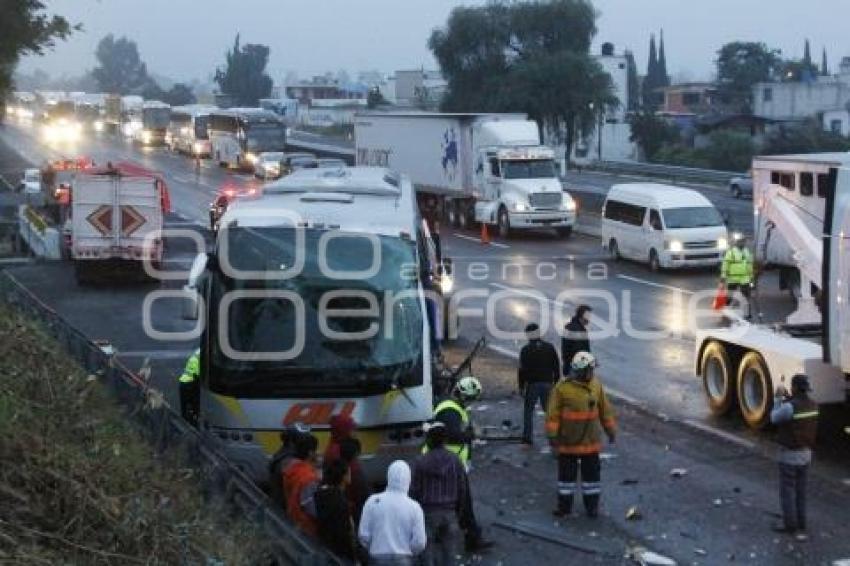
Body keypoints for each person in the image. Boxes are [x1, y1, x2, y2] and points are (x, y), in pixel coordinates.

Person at [546, 351, 616, 518]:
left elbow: (605, 411)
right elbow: (552, 416)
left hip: (590, 443)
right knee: (566, 481)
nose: (593, 373)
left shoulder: (596, 386)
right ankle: (564, 508)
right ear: (582, 371)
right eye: (591, 369)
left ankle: (592, 508)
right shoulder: (562, 389)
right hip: (568, 443)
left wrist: (611, 432)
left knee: (592, 481)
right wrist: (553, 439)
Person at [411, 423, 491, 565]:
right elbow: (463, 490)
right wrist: (459, 514)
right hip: (449, 512)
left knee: (427, 554)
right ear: (444, 440)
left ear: (428, 440)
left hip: (428, 513)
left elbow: (415, 491)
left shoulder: (420, 462)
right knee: (449, 553)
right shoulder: (455, 461)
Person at [770, 374, 819, 540]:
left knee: (788, 491)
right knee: (801, 491)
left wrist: (777, 399)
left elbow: (774, 418)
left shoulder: (789, 407)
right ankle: (801, 522)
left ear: (795, 388)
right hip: (806, 455)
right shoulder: (814, 405)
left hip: (789, 456)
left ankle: (789, 524)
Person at [358, 460, 427, 566]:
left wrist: (374, 546)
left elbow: (363, 535)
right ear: (408, 479)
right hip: (404, 560)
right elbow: (420, 542)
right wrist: (408, 552)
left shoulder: (372, 501)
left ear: (388, 476)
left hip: (377, 558)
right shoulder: (414, 507)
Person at [425, 376, 482, 470]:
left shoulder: (451, 404)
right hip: (445, 463)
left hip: (446, 460)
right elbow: (452, 436)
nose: (472, 402)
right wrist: (471, 435)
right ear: (464, 396)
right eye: (472, 399)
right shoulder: (450, 411)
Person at [518, 322, 560, 446]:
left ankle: (527, 437)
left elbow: (522, 370)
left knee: (528, 411)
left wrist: (521, 386)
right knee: (550, 412)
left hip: (532, 385)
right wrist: (556, 382)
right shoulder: (549, 347)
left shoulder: (525, 350)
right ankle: (554, 437)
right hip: (548, 383)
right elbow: (556, 366)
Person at [315, 458, 357, 561]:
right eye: (349, 472)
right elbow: (344, 534)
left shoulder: (321, 494)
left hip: (325, 545)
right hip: (339, 553)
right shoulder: (340, 502)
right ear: (343, 477)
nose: (350, 474)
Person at [282, 433, 320, 537]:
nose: (318, 453)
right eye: (316, 450)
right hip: (307, 529)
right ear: (310, 453)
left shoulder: (290, 469)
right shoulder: (309, 478)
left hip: (293, 520)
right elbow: (312, 509)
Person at [268, 424, 308, 508]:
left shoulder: (282, 454)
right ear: (293, 441)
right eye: (303, 441)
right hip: (284, 510)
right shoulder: (288, 461)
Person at [720, 234, 754, 318]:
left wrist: (751, 277)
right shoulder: (731, 252)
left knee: (746, 296)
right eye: (740, 241)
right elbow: (726, 264)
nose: (742, 243)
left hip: (744, 278)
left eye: (743, 241)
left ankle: (747, 313)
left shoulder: (747, 251)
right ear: (737, 242)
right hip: (733, 277)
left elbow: (749, 264)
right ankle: (725, 311)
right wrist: (723, 276)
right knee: (730, 296)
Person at [339, 436, 371, 525]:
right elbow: (365, 496)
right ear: (356, 454)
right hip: (356, 514)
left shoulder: (338, 467)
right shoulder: (356, 471)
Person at [562, 305, 592, 377]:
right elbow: (579, 350)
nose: (589, 319)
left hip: (571, 367)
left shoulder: (572, 327)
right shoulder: (577, 330)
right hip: (576, 369)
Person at [178, 348, 200, 426]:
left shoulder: (198, 352)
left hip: (183, 383)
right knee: (196, 409)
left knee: (184, 412)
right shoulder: (205, 353)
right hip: (191, 383)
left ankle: (185, 425)